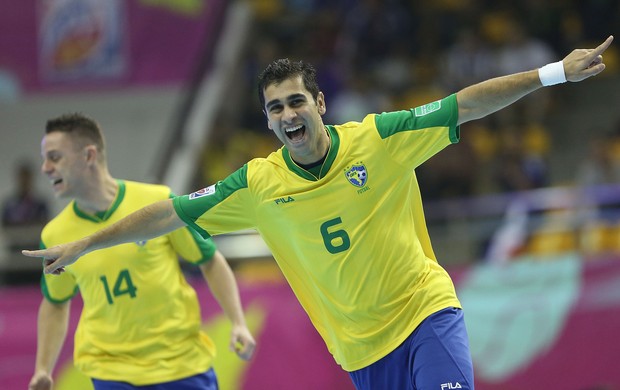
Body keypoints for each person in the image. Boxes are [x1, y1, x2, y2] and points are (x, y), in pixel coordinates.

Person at [24, 36, 613, 390]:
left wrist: (554, 72)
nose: (287, 114)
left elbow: (467, 104)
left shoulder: (379, 139)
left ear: (319, 103)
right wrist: (85, 244)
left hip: (426, 313)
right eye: (275, 107)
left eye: (296, 101)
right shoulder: (257, 183)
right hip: (360, 350)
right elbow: (169, 213)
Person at [27, 113, 256, 390]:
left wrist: (238, 322)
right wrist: (43, 369)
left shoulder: (157, 203)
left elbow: (209, 260)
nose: (45, 168)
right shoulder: (54, 235)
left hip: (182, 365)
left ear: (88, 156)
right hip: (111, 372)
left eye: (54, 157)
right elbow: (55, 301)